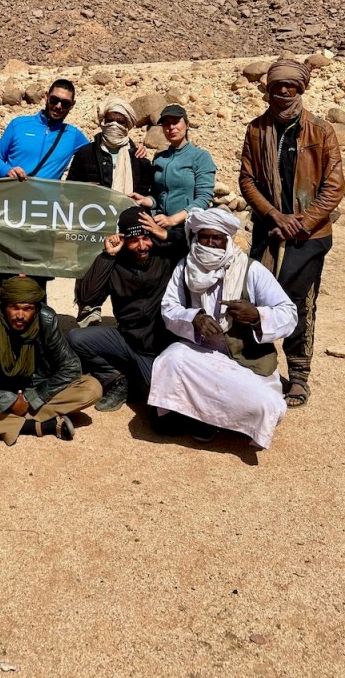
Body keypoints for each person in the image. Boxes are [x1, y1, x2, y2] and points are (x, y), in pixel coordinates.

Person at [239, 58, 345, 409]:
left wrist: (302, 221)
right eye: (277, 86)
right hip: (268, 232)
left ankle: (299, 374)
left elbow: (334, 185)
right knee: (259, 300)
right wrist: (273, 214)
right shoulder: (256, 130)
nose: (284, 91)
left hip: (307, 236)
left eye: (290, 85)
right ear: (269, 89)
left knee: (299, 302)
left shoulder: (321, 130)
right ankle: (260, 366)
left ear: (301, 88)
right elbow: (247, 180)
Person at [150, 208, 297, 448]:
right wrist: (193, 318)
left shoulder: (250, 269)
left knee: (267, 405)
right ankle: (200, 418)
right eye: (204, 237)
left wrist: (256, 315)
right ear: (196, 238)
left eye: (216, 238)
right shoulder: (185, 266)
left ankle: (210, 418)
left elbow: (289, 313)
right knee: (171, 359)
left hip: (244, 362)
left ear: (226, 239)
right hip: (202, 355)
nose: (209, 243)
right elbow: (169, 307)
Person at [0, 277, 102, 445]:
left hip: (36, 387)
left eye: (27, 309)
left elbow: (71, 367)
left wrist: (33, 397)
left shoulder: (46, 319)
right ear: (3, 307)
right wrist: (6, 400)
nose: (20, 315)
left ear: (36, 309)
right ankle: (37, 426)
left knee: (92, 388)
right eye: (14, 307)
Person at [69, 206, 177, 411]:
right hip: (128, 340)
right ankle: (119, 379)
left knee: (164, 415)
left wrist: (166, 233)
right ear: (123, 239)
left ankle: (139, 378)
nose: (142, 246)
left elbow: (195, 242)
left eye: (146, 238)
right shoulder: (115, 263)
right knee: (77, 339)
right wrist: (107, 256)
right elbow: (87, 296)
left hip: (160, 349)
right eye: (134, 240)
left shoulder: (167, 257)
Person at [67, 97, 154, 326]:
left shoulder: (139, 158)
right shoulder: (85, 154)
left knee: (125, 277)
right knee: (91, 273)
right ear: (102, 121)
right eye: (110, 120)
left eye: (120, 121)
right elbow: (69, 191)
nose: (114, 125)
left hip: (126, 230)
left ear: (129, 125)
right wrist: (86, 191)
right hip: (93, 227)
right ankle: (88, 317)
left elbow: (147, 194)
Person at [131, 104, 216, 257]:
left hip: (188, 230)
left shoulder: (200, 157)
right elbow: (158, 195)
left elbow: (204, 198)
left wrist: (172, 220)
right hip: (160, 226)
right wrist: (146, 200)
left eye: (176, 122)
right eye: (166, 124)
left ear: (187, 124)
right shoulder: (159, 158)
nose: (171, 127)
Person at [0, 79, 89, 181]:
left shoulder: (74, 136)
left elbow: (94, 155)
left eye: (65, 103)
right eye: (54, 100)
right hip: (14, 189)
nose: (58, 106)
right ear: (46, 97)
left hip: (46, 192)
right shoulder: (18, 125)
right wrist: (6, 170)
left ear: (72, 105)